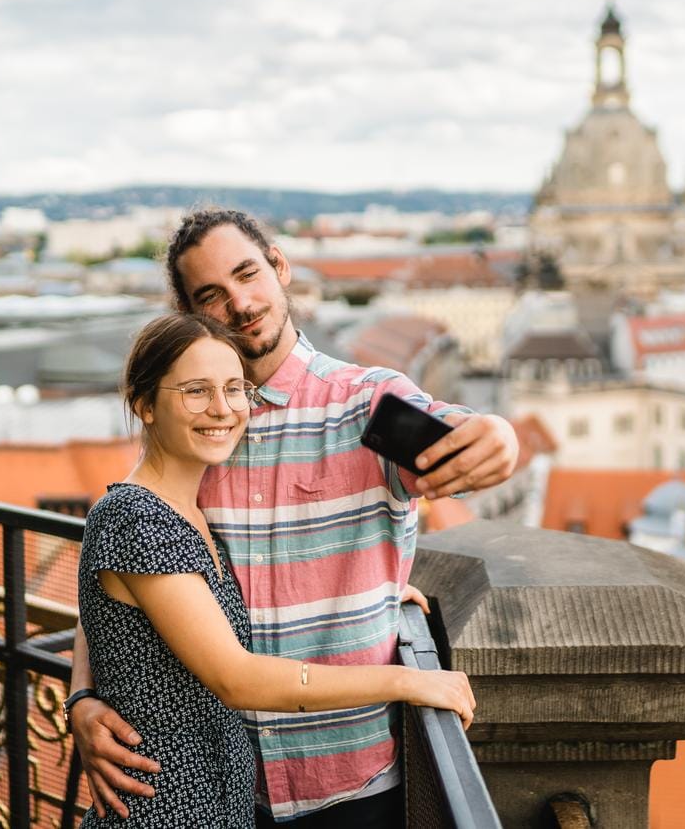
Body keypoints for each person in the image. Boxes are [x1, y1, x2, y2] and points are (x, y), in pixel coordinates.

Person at [69, 209, 519, 825]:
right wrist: (83, 696)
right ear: (192, 314)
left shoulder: (363, 405)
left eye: (248, 274)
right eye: (212, 295)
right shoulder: (202, 433)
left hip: (348, 781)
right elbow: (120, 587)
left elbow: (457, 437)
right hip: (227, 785)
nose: (242, 302)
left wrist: (496, 435)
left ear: (279, 266)